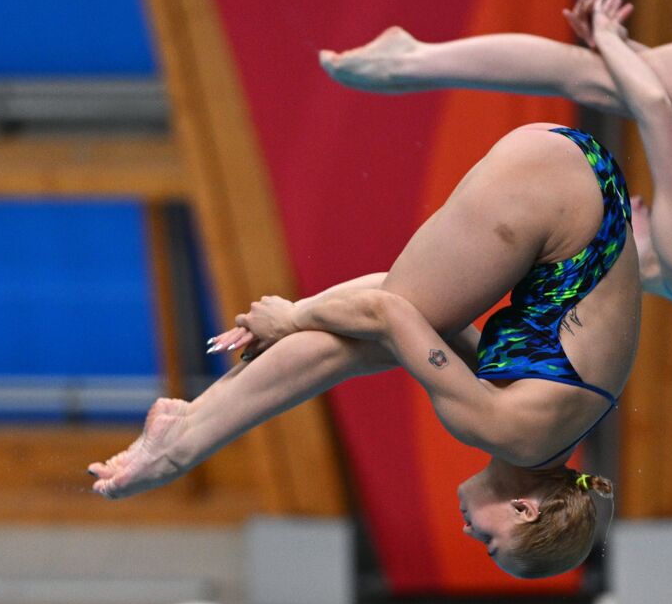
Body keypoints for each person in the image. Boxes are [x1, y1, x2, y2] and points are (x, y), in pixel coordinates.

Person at [88, 118, 639, 579]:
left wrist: (300, 319)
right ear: (523, 508)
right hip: (552, 191)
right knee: (360, 343)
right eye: (490, 542)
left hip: (579, 171)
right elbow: (389, 310)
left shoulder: (547, 429)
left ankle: (189, 428)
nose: (470, 531)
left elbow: (406, 318)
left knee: (373, 345)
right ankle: (181, 445)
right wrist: (291, 316)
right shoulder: (505, 432)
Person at [320, 0, 672, 312]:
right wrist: (612, 41)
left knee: (605, 78)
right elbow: (657, 109)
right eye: (621, 222)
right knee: (584, 76)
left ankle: (414, 60)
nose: (631, 208)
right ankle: (412, 62)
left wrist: (624, 53)